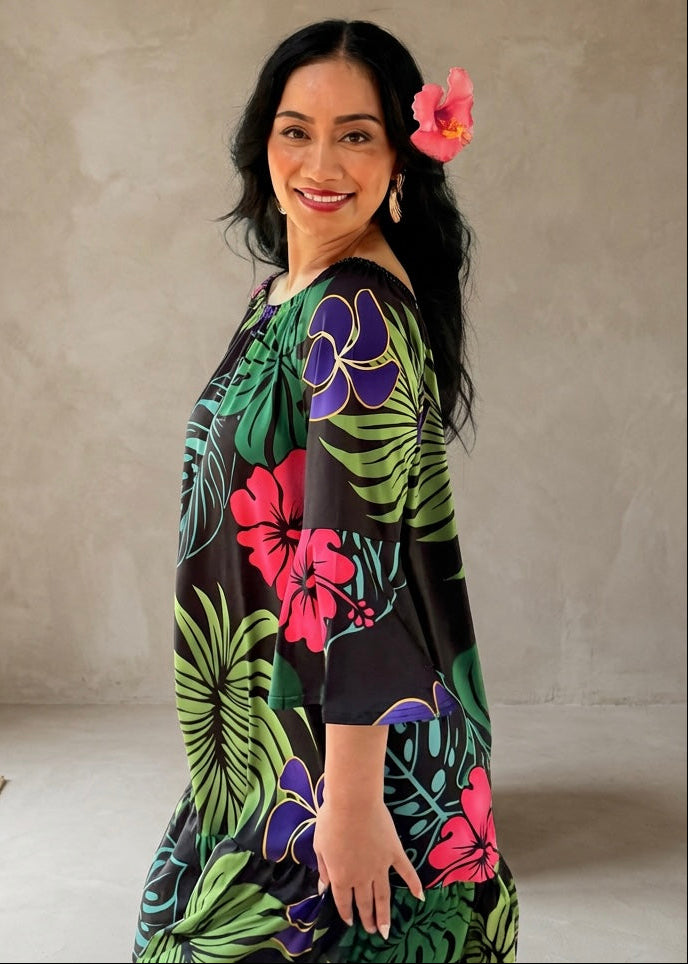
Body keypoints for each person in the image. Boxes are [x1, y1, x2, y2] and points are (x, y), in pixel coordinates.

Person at [132, 18, 518, 963]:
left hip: (338, 757)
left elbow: (357, 566)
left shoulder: (353, 310)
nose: (321, 160)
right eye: (295, 129)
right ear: (261, 141)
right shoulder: (287, 295)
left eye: (357, 133)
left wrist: (345, 804)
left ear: (400, 160)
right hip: (274, 733)